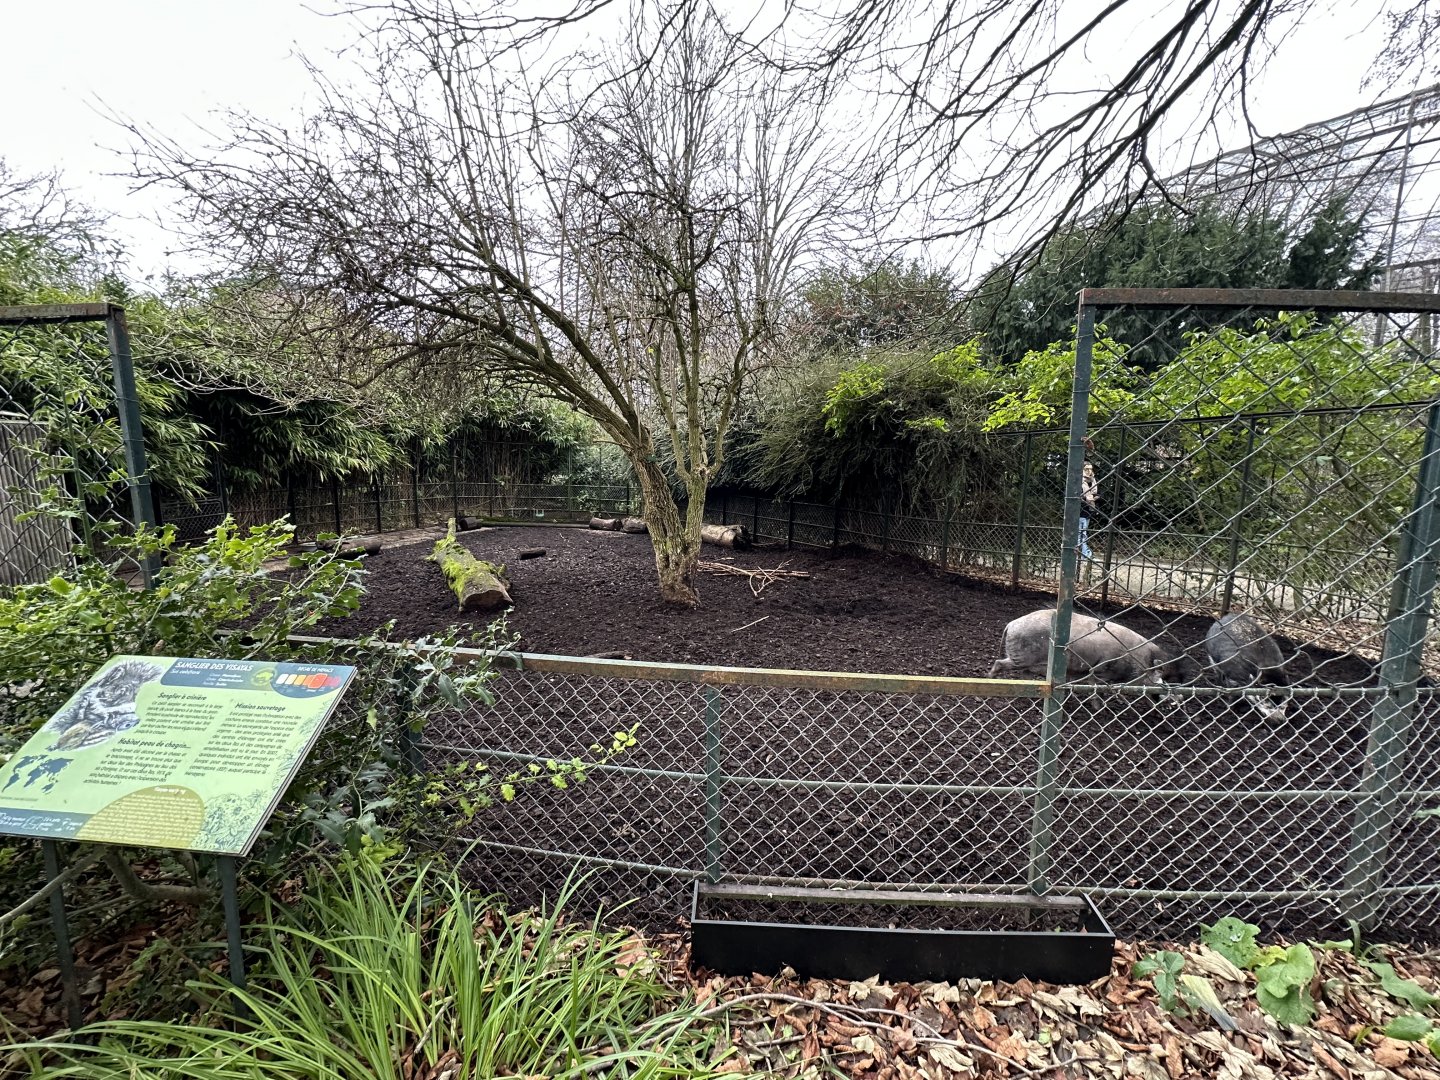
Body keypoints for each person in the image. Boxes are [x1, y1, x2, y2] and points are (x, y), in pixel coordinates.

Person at [1078, 437, 1098, 560]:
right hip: (1080, 511)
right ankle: (1085, 555)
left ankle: (1082, 554)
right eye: (1086, 469)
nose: (1089, 472)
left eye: (1091, 469)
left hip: (1088, 511)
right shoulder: (1078, 481)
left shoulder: (1092, 481)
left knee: (1082, 534)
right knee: (1082, 534)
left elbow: (1097, 495)